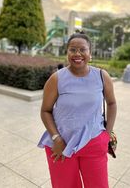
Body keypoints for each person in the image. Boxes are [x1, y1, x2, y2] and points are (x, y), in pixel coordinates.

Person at [38, 32, 117, 188]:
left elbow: (112, 103)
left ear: (90, 53)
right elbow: (45, 111)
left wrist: (106, 135)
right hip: (61, 145)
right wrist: (56, 138)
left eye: (82, 49)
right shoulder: (56, 79)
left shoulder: (102, 76)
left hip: (94, 143)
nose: (77, 54)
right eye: (72, 49)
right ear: (67, 52)